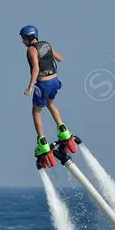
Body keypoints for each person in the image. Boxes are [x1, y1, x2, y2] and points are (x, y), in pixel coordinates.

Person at [19, 25, 78, 162]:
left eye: (23, 39)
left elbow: (36, 68)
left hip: (43, 84)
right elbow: (60, 58)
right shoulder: (46, 45)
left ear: (28, 38)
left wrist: (30, 87)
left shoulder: (31, 50)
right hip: (55, 81)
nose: (22, 42)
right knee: (51, 104)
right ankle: (63, 131)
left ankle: (42, 142)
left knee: (36, 111)